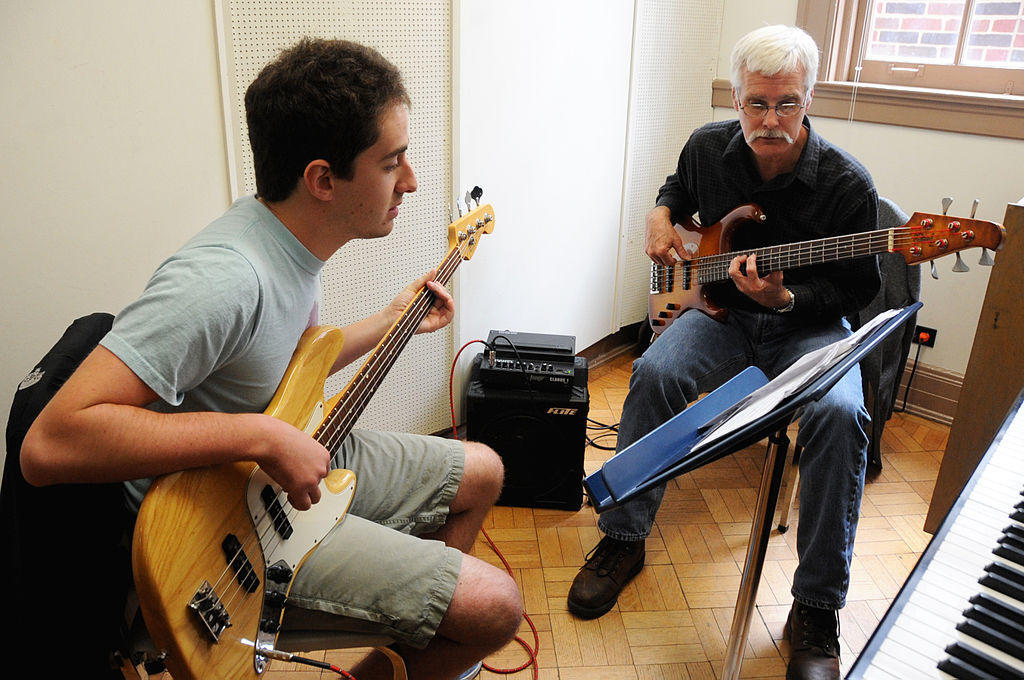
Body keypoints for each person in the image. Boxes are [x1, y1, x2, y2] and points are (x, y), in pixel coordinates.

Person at [21, 38, 522, 680]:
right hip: (215, 537)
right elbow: (51, 444)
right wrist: (261, 435)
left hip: (273, 462)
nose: (412, 181)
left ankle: (416, 640)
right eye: (391, 161)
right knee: (495, 606)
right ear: (322, 179)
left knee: (482, 469)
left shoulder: (289, 243)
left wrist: (393, 321)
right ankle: (435, 625)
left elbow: (286, 369)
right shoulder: (225, 279)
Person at [566, 25, 880, 680]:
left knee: (843, 416)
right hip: (721, 315)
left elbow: (858, 288)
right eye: (756, 104)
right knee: (653, 372)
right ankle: (624, 539)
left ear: (809, 97)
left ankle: (816, 608)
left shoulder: (849, 184)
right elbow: (679, 189)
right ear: (736, 100)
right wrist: (660, 212)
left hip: (808, 325)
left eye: (787, 103)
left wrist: (783, 299)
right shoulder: (708, 147)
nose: (771, 120)